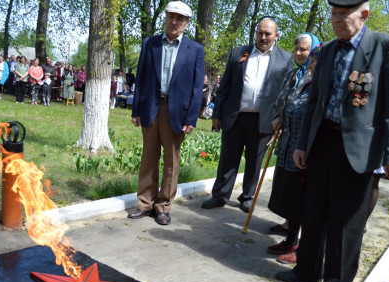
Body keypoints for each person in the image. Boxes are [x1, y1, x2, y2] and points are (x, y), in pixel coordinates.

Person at [276, 2, 389, 282]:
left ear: (363, 15)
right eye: (333, 14)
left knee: (346, 222)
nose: (335, 20)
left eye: (342, 15)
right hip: (322, 141)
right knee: (314, 210)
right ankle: (307, 269)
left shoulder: (385, 47)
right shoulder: (330, 49)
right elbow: (315, 101)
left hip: (359, 149)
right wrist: (301, 144)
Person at [200, 18, 292, 213]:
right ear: (255, 33)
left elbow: (287, 92)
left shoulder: (286, 59)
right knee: (227, 158)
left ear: (276, 35)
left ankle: (247, 197)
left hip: (264, 119)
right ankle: (220, 196)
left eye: (268, 33)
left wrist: (281, 118)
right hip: (236, 116)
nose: (263, 37)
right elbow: (225, 87)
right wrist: (217, 113)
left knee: (254, 161)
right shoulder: (239, 53)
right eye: (260, 32)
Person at [128, 1, 204, 225]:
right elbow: (140, 79)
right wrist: (136, 110)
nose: (174, 21)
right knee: (148, 158)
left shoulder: (195, 50)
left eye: (180, 19)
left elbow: (196, 88)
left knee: (171, 161)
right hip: (151, 109)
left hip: (177, 114)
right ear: (166, 18)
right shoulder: (150, 44)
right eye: (171, 16)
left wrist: (191, 118)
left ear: (186, 23)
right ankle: (145, 203)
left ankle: (162, 207)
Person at [267, 34, 321, 264]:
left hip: (305, 146)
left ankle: (298, 242)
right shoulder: (292, 73)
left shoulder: (317, 77)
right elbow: (282, 100)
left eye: (305, 50)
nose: (299, 53)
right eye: (297, 49)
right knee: (288, 191)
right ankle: (290, 237)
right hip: (287, 139)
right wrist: (279, 116)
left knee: (301, 196)